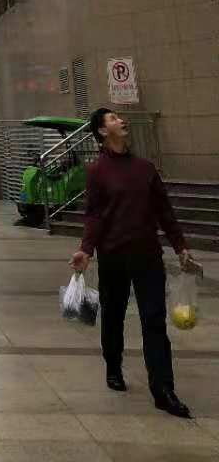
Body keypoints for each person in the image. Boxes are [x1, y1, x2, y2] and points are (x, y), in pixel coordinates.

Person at [71, 107, 194, 418]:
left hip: (148, 256)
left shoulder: (145, 168)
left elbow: (164, 211)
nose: (121, 121)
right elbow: (94, 215)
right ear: (102, 131)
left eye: (119, 118)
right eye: (113, 119)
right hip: (113, 256)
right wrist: (86, 249)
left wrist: (180, 246)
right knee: (113, 315)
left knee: (154, 320)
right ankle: (113, 365)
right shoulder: (97, 171)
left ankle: (163, 389)